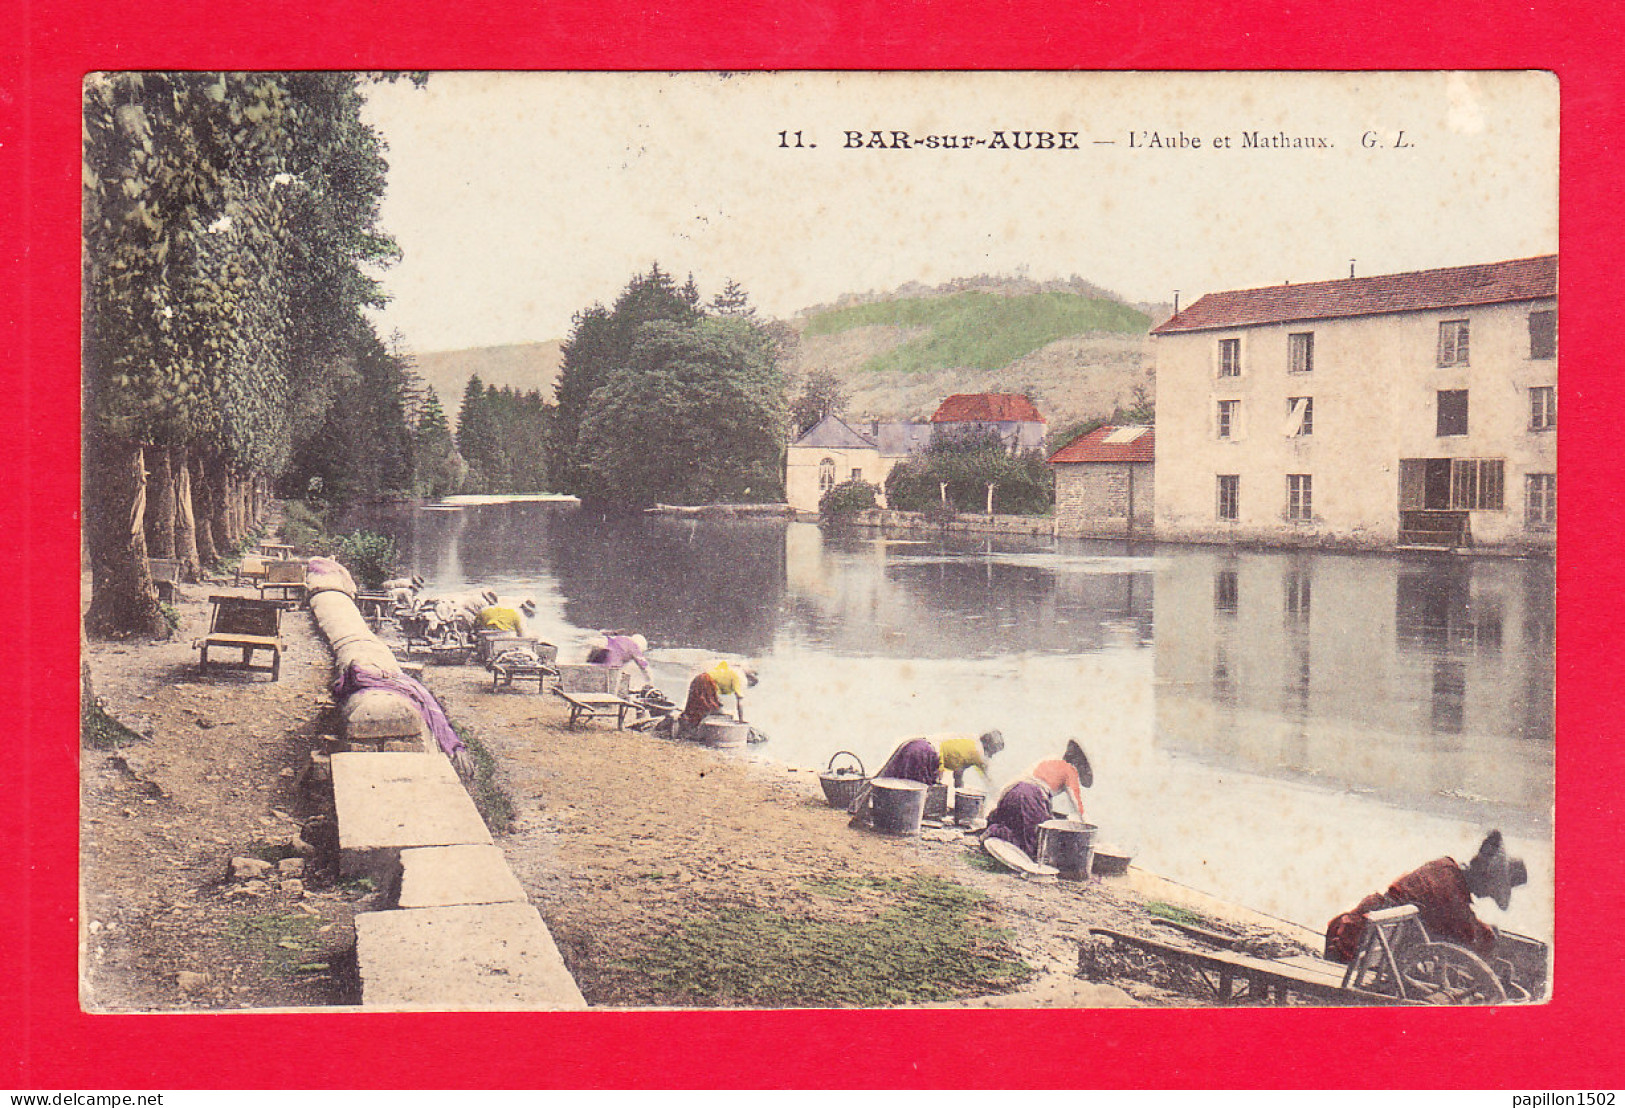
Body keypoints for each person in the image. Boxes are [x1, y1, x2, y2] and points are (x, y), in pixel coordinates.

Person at [1323, 830, 1528, 964]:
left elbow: (1461, 919)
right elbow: (1468, 931)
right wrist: (1491, 938)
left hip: (1366, 931)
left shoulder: (1445, 869)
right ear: (1483, 878)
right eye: (1490, 891)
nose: (1486, 896)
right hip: (1358, 944)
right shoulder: (1450, 890)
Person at [846, 731, 1005, 821]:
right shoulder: (980, 756)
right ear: (991, 747)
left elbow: (958, 773)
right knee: (914, 790)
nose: (993, 755)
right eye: (995, 751)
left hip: (915, 744)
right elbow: (988, 780)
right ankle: (898, 818)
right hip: (924, 753)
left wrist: (957, 792)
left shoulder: (971, 745)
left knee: (887, 778)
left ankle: (861, 807)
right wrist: (999, 800)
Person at [982, 740, 1093, 859]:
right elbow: (1078, 806)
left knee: (1015, 825)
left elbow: (1021, 778)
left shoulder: (1049, 759)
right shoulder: (1070, 771)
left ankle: (996, 828)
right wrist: (1090, 830)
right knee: (1037, 845)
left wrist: (998, 803)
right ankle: (996, 832)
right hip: (1030, 797)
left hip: (1012, 792)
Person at [675, 659, 757, 738]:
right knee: (705, 709)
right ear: (750, 679)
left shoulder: (736, 672)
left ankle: (685, 729)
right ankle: (690, 732)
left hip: (700, 679)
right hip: (705, 682)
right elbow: (740, 702)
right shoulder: (741, 678)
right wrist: (741, 720)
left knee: (695, 708)